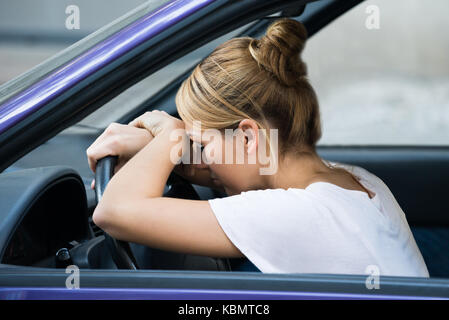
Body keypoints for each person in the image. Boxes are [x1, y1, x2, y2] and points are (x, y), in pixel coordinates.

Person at [86, 18, 429, 277]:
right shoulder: (359, 183)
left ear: (247, 138)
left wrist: (170, 135)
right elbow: (233, 171)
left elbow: (114, 213)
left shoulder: (295, 214)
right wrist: (169, 152)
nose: (199, 157)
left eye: (202, 144)